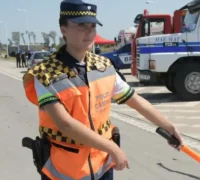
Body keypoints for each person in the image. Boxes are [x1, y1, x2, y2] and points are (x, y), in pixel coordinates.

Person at [22, 0, 183, 179]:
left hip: (102, 166)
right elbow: (65, 124)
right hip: (65, 170)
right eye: (81, 25)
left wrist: (167, 126)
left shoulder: (103, 66)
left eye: (92, 26)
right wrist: (112, 147)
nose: (89, 32)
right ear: (64, 29)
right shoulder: (45, 73)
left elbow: (135, 100)